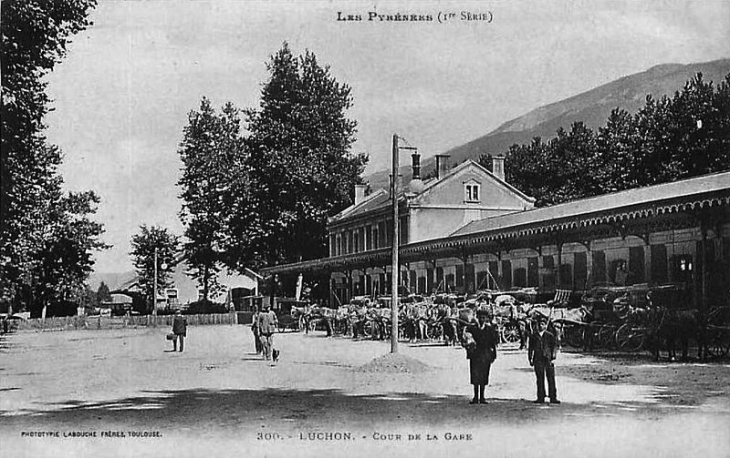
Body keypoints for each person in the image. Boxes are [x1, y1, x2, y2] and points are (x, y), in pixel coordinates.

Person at [462, 308, 499, 404]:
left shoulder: (490, 329)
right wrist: (467, 345)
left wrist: (494, 355)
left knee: (484, 376)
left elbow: (493, 343)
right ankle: (475, 397)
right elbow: (465, 340)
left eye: (484, 318)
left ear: (486, 319)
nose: (482, 319)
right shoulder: (472, 328)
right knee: (475, 376)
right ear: (477, 318)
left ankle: (482, 397)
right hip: (475, 355)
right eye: (480, 318)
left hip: (486, 356)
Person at [528, 317, 560, 404]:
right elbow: (530, 348)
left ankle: (553, 397)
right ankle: (540, 397)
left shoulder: (550, 335)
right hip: (538, 359)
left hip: (548, 359)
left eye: (542, 324)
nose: (540, 326)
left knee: (551, 378)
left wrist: (553, 357)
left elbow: (554, 347)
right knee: (540, 378)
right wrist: (530, 358)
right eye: (539, 324)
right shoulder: (533, 336)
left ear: (545, 326)